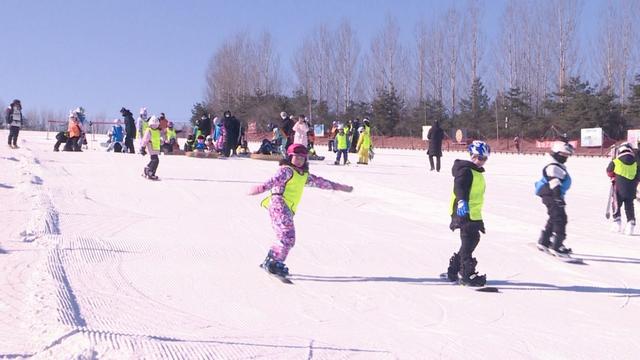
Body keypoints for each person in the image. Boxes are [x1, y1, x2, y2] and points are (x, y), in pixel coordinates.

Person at [247, 143, 354, 277]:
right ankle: (275, 263)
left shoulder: (302, 174)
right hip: (279, 204)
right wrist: (261, 188)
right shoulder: (286, 170)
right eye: (296, 157)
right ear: (289, 157)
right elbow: (273, 181)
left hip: (286, 207)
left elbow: (320, 182)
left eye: (302, 158)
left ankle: (271, 259)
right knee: (288, 236)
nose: (299, 160)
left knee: (284, 236)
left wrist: (339, 187)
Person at [446, 140, 490, 287]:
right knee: (468, 241)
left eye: (483, 158)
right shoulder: (465, 170)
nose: (480, 161)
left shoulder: (477, 172)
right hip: (463, 211)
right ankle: (466, 274)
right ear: (471, 155)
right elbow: (460, 187)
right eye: (477, 157)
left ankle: (454, 270)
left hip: (474, 213)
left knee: (473, 239)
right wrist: (461, 201)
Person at [534, 141, 574, 256]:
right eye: (563, 155)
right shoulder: (553, 166)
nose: (565, 157)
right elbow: (554, 182)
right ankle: (557, 245)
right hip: (551, 194)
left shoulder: (556, 164)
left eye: (567, 155)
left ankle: (544, 241)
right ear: (556, 153)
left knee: (554, 217)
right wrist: (557, 198)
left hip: (551, 194)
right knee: (560, 218)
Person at [607, 143, 639, 234]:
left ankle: (617, 222)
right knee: (629, 206)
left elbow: (609, 171)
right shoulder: (635, 163)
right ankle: (631, 223)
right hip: (631, 189)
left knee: (616, 204)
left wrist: (613, 176)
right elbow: (638, 176)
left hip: (618, 188)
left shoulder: (616, 161)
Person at [140, 115, 165, 180]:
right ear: (150, 124)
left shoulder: (157, 131)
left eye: (156, 125)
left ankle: (147, 170)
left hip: (156, 148)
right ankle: (150, 172)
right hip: (151, 147)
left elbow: (157, 139)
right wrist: (143, 148)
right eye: (153, 125)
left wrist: (162, 142)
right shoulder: (149, 130)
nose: (154, 126)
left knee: (154, 160)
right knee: (155, 160)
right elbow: (145, 139)